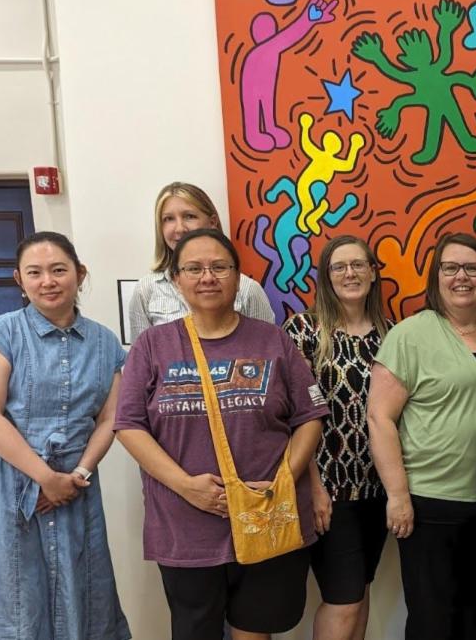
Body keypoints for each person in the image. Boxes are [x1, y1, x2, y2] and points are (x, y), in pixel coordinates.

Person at [115, 228, 328, 640]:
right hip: (185, 526)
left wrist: (282, 481)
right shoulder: (152, 345)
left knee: (256, 630)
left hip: (268, 516)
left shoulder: (274, 341)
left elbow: (310, 417)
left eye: (219, 267)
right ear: (176, 279)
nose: (207, 277)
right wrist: (187, 487)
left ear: (238, 276)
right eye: (193, 268)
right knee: (196, 630)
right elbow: (128, 425)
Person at [0, 232, 130, 639]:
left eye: (58, 270)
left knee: (82, 591)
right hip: (7, 483)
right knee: (14, 600)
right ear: (20, 280)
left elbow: (111, 417)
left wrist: (77, 475)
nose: (48, 281)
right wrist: (45, 478)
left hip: (76, 485)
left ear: (79, 273)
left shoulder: (104, 341)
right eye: (35, 273)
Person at [367, 232, 476, 640]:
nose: (461, 277)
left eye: (473, 268)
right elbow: (380, 418)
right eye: (450, 268)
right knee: (434, 621)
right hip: (429, 504)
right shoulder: (409, 335)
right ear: (436, 278)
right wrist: (398, 496)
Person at [283, 236, 392, 640]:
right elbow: (292, 416)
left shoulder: (391, 333)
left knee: (360, 594)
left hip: (377, 489)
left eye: (359, 265)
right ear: (326, 277)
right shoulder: (304, 330)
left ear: (373, 271)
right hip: (329, 491)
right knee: (342, 600)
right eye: (339, 267)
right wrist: (312, 487)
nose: (350, 273)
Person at [127, 182, 273, 342]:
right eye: (168, 219)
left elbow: (268, 352)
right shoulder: (146, 290)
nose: (179, 228)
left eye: (189, 216)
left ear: (212, 222)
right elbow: (141, 358)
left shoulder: (247, 290)